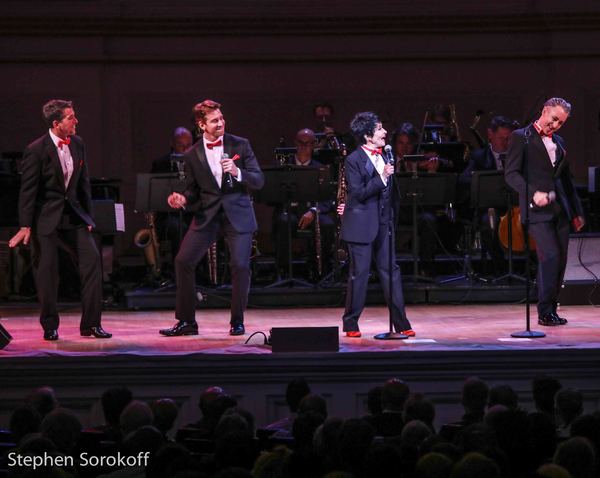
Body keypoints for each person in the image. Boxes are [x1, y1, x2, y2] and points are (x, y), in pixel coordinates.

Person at [159, 99, 264, 337]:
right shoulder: (192, 154)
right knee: (183, 260)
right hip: (208, 215)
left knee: (240, 265)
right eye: (214, 120)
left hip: (237, 213)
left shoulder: (241, 145)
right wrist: (183, 199)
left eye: (222, 118)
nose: (221, 123)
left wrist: (237, 172)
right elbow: (192, 190)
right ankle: (187, 322)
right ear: (201, 124)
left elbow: (258, 180)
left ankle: (237, 321)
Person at [8, 99, 111, 340]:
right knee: (47, 272)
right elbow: (28, 191)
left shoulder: (78, 143)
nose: (76, 121)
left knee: (92, 263)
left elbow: (83, 182)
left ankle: (91, 325)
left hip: (74, 216)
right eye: (71, 118)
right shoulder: (36, 149)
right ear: (57, 124)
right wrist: (25, 225)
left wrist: (89, 217)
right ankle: (50, 326)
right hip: (46, 219)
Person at [504, 97, 585, 326]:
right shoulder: (522, 137)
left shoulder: (558, 142)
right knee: (549, 256)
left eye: (561, 122)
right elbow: (511, 174)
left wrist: (577, 211)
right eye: (554, 119)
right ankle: (543, 311)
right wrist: (532, 193)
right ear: (545, 110)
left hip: (560, 210)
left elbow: (566, 181)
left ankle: (551, 309)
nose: (556, 125)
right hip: (536, 210)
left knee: (560, 261)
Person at [340, 111, 413, 337]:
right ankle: (351, 322)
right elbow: (358, 193)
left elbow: (392, 194)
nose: (384, 132)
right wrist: (381, 177)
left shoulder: (386, 155)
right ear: (367, 136)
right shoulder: (353, 160)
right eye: (379, 128)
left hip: (384, 223)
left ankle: (401, 323)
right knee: (359, 274)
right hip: (361, 224)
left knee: (391, 271)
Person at [459, 115, 519, 275]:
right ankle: (501, 269)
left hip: (515, 207)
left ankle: (530, 268)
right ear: (490, 135)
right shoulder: (479, 156)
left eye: (509, 139)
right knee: (488, 224)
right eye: (502, 138)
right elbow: (463, 180)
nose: (506, 143)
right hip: (490, 208)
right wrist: (479, 178)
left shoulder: (518, 156)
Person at [273, 128, 335, 277]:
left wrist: (313, 211)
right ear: (295, 143)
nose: (304, 147)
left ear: (314, 145)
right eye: (301, 143)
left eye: (308, 144)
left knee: (327, 224)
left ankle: (320, 267)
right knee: (282, 222)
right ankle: (284, 269)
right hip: (291, 212)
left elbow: (329, 198)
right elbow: (275, 195)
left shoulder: (320, 168)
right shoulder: (285, 167)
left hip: (313, 211)